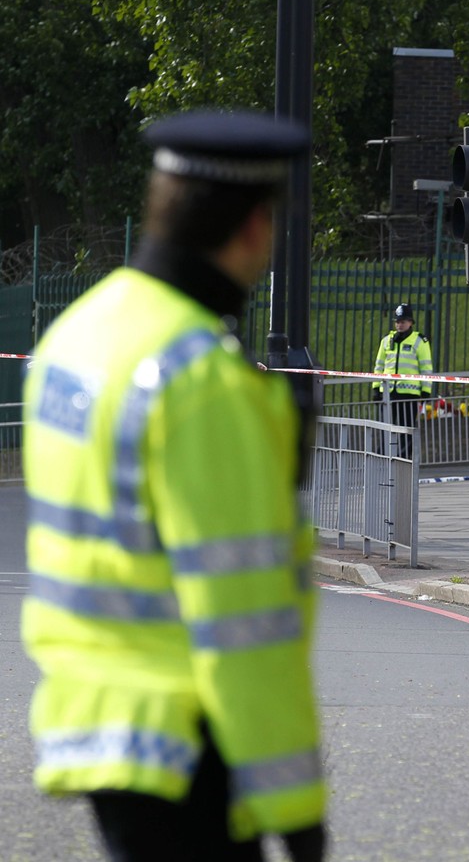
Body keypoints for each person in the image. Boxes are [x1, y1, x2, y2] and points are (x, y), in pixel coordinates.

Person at [21, 110, 326, 862]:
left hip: (96, 728)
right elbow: (243, 621)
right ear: (256, 227)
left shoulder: (77, 336)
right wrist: (298, 812)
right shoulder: (199, 380)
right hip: (188, 743)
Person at [370, 302, 432, 456]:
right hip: (388, 392)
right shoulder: (386, 341)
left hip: (409, 394)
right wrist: (376, 387)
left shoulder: (419, 341)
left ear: (411, 322)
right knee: (386, 425)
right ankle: (383, 455)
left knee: (407, 428)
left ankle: (404, 458)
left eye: (403, 321)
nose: (399, 325)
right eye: (397, 322)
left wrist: (425, 391)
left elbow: (426, 368)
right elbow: (379, 366)